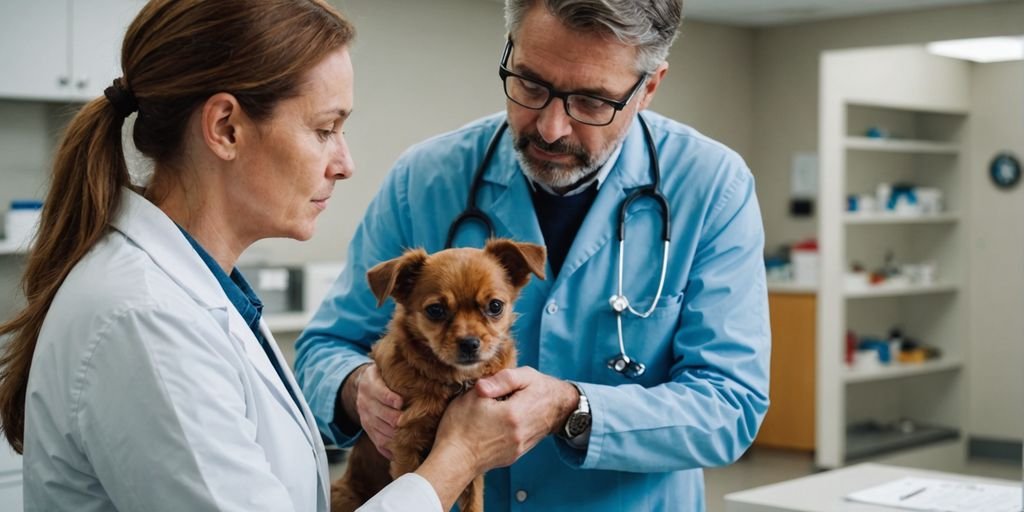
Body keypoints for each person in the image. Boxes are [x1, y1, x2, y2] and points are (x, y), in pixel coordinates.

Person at [0, 1, 533, 511]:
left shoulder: (199, 291)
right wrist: (459, 456)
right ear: (226, 128)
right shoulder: (146, 320)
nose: (345, 163)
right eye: (325, 129)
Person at [295, 0, 772, 510]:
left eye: (591, 101)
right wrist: (358, 390)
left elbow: (731, 405)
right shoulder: (425, 178)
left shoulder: (712, 187)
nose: (550, 128)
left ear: (647, 88)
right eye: (531, 84)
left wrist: (573, 408)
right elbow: (324, 347)